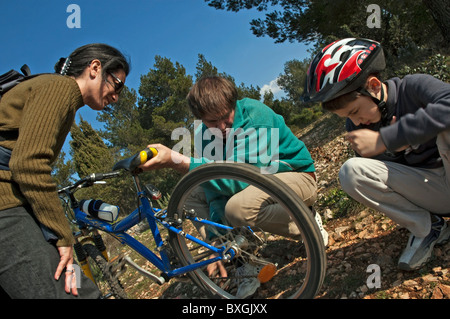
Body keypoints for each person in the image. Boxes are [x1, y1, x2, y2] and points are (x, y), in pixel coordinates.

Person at [140, 76, 328, 297]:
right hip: (255, 182)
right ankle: (243, 262)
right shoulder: (203, 135)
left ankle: (307, 221)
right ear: (200, 119)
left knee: (238, 208)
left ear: (233, 104)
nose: (221, 128)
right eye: (211, 122)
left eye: (225, 118)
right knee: (191, 192)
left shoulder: (255, 115)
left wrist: (176, 161)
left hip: (294, 176)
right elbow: (213, 189)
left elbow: (238, 178)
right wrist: (215, 239)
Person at [302, 37, 450, 271]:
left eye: (355, 111)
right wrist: (393, 152)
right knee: (351, 172)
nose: (355, 121)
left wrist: (390, 138)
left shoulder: (413, 87)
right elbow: (389, 179)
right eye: (346, 118)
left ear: (373, 85)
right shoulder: (358, 127)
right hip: (435, 190)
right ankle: (428, 227)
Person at [0, 43, 130, 298]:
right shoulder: (59, 88)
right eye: (117, 84)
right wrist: (63, 235)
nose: (116, 96)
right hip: (5, 206)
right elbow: (29, 165)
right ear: (95, 68)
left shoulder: (55, 93)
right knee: (71, 291)